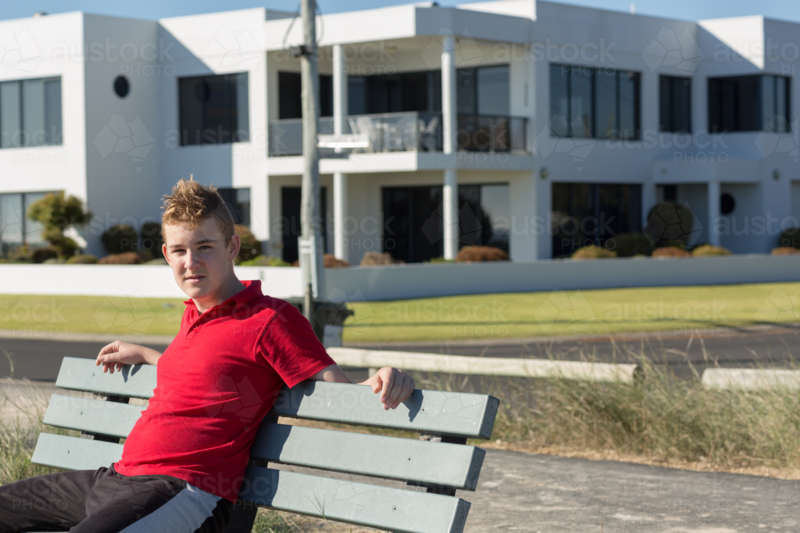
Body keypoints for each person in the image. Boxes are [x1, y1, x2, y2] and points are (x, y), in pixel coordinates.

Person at [0, 179, 415, 532]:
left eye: (204, 247)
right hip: (117, 477)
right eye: (180, 250)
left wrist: (383, 377)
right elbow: (208, 374)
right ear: (167, 255)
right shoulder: (193, 314)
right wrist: (148, 354)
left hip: (182, 490)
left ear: (232, 246)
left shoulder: (270, 319)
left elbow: (337, 394)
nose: (191, 262)